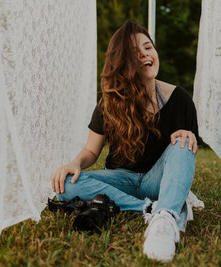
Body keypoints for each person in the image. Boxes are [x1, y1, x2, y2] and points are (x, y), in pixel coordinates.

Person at [51, 20, 199, 263]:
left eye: (148, 47)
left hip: (157, 179)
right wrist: (75, 162)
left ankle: (166, 216)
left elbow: (184, 159)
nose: (144, 54)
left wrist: (185, 136)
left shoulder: (181, 99)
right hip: (121, 181)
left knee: (183, 142)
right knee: (65, 184)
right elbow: (91, 150)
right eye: (134, 53)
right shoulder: (109, 102)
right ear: (122, 62)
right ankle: (150, 209)